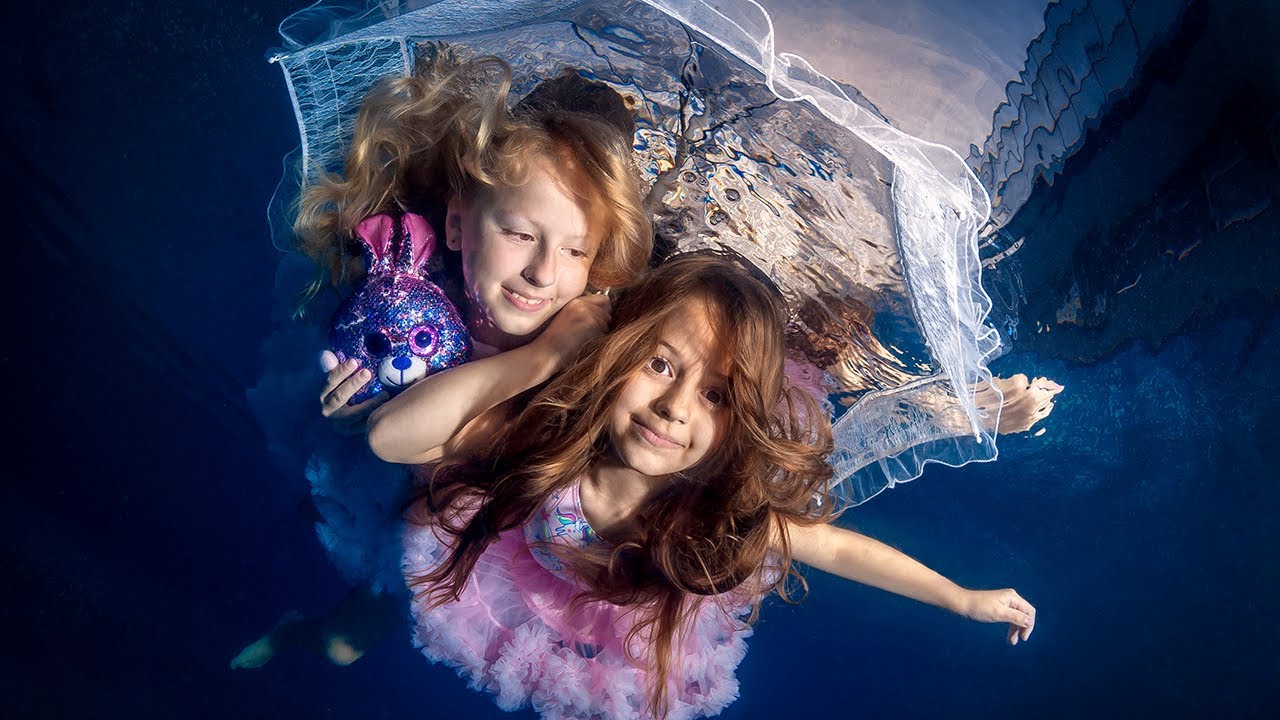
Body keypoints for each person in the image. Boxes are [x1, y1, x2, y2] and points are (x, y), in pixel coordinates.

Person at [400, 250, 1036, 720]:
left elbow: (837, 549)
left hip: (615, 593)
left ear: (735, 421)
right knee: (415, 548)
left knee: (832, 330)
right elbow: (389, 442)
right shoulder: (544, 444)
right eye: (656, 366)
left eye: (714, 396)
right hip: (535, 570)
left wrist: (961, 597)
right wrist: (543, 358)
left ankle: (920, 383)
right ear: (617, 356)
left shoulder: (708, 517)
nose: (675, 406)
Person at [232, 47, 654, 670]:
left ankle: (308, 632)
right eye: (520, 234)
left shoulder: (595, 337)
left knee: (347, 644)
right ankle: (303, 630)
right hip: (398, 480)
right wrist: (348, 408)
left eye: (575, 251)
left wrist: (556, 356)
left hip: (472, 523)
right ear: (456, 225)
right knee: (344, 633)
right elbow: (384, 430)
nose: (542, 274)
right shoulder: (410, 292)